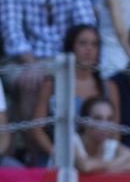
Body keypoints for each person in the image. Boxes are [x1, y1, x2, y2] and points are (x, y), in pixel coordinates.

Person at [1, 0, 97, 136]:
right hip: (23, 59)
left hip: (65, 58)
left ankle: (82, 150)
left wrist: (74, 61)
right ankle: (31, 153)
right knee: (29, 81)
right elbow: (12, 34)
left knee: (88, 78)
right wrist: (32, 64)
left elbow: (85, 25)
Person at [28, 24, 112, 165]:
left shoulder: (107, 87)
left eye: (94, 44)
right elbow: (37, 129)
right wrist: (57, 154)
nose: (89, 49)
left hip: (95, 160)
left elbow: (114, 131)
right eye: (82, 43)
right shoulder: (52, 84)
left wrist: (101, 160)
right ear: (71, 47)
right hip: (55, 157)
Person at [73, 95, 130, 173]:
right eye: (98, 118)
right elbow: (85, 166)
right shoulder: (72, 141)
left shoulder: (111, 145)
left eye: (109, 119)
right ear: (83, 122)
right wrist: (117, 163)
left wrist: (106, 169)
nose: (104, 125)